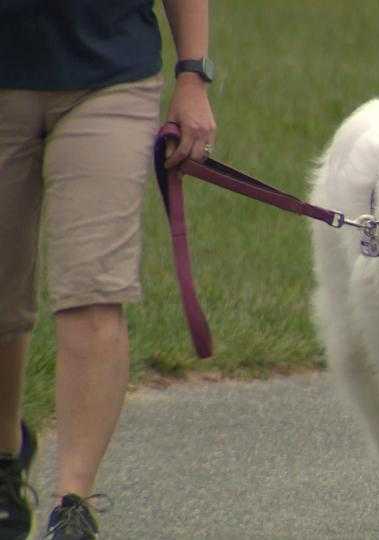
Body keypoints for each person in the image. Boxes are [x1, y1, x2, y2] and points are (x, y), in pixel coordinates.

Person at [0, 1, 216, 538]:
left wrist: (192, 75)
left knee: (93, 287)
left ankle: (72, 503)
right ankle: (5, 459)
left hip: (108, 77)